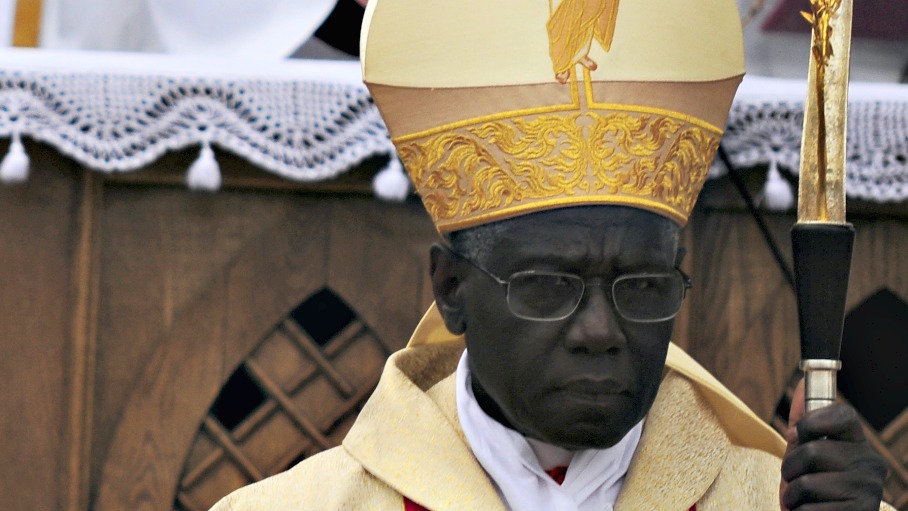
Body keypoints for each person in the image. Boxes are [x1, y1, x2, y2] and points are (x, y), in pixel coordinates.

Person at [212, 0, 890, 509]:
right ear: (450, 288)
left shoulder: (773, 500)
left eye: (643, 284)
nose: (600, 330)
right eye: (549, 283)